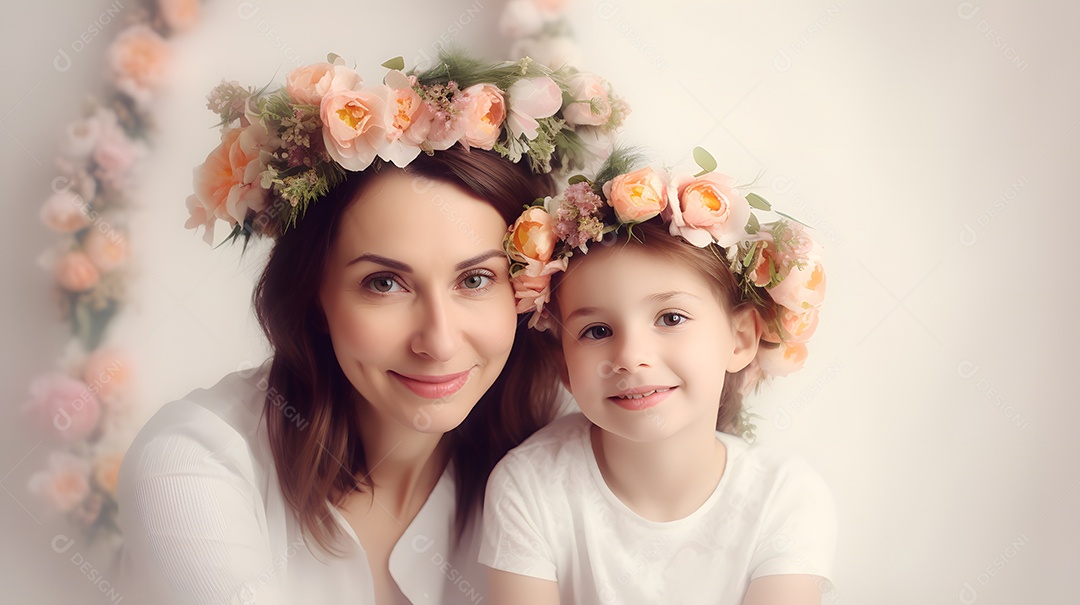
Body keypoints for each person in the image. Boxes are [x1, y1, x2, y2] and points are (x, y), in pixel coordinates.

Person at [116, 51, 627, 604]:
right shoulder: (197, 462)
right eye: (384, 283)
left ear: (527, 288)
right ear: (315, 296)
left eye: (476, 280)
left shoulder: (566, 440)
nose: (439, 342)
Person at [482, 149, 837, 604]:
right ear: (564, 367)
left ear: (740, 339)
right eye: (597, 331)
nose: (630, 358)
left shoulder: (784, 497)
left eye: (671, 318)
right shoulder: (529, 487)